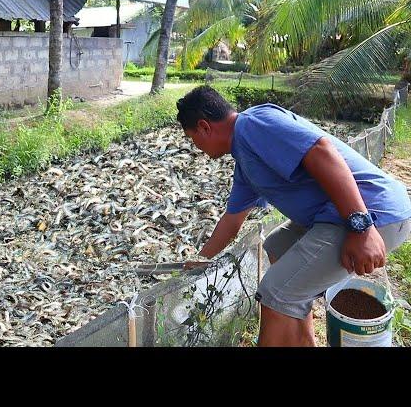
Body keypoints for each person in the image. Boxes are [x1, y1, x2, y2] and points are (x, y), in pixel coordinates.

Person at [176, 86, 411, 347]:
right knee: (278, 245)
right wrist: (201, 260)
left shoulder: (254, 124)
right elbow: (232, 220)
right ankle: (302, 341)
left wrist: (362, 228)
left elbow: (322, 151)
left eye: (191, 138)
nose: (195, 146)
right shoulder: (244, 159)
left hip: (375, 213)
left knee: (275, 293)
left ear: (204, 127)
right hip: (337, 217)